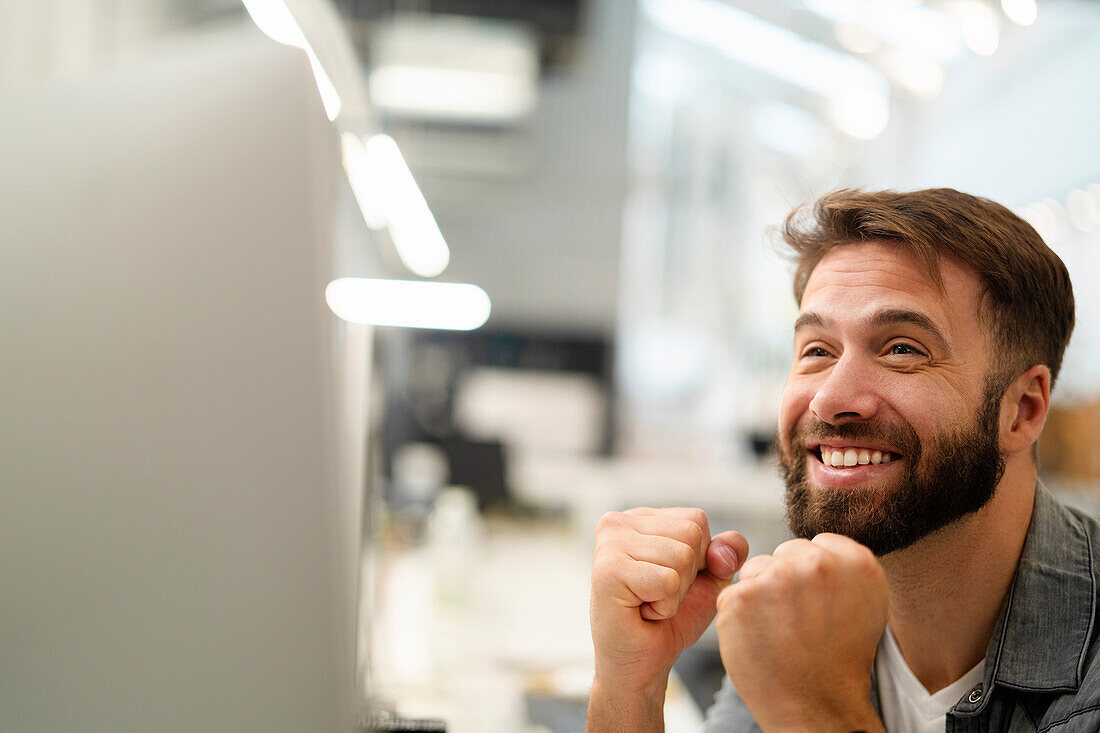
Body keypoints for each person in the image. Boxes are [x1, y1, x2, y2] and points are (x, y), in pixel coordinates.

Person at [585, 188, 1100, 732]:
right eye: (817, 351)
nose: (829, 398)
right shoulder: (810, 604)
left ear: (1022, 410)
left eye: (902, 348)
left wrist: (819, 713)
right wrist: (630, 687)